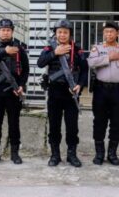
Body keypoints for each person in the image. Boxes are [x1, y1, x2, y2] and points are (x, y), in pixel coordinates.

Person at [37, 19, 88, 167]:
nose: (62, 35)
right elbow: (40, 63)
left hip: (72, 92)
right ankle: (55, 155)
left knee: (72, 126)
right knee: (54, 125)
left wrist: (80, 85)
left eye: (65, 32)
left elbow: (85, 70)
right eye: (59, 32)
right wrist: (55, 53)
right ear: (56, 33)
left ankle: (72, 155)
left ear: (70, 34)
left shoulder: (77, 49)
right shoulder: (49, 48)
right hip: (55, 91)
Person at [87, 21, 119, 165]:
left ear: (117, 33)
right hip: (101, 90)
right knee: (99, 121)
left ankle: (112, 153)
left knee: (116, 122)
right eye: (106, 32)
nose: (108, 34)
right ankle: (99, 153)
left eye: (111, 32)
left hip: (118, 91)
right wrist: (109, 58)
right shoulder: (97, 48)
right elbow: (90, 63)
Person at [0, 18, 29, 165]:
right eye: (3, 30)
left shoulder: (19, 49)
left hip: (13, 93)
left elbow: (26, 70)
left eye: (8, 30)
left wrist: (22, 85)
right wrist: (4, 52)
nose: (6, 32)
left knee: (14, 124)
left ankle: (15, 153)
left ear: (12, 31)